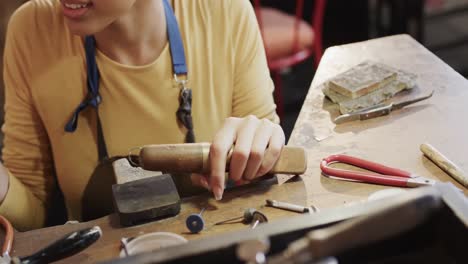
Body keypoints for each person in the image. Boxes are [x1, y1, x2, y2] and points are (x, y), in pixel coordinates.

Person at [0, 0, 285, 231]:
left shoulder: (223, 11)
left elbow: (272, 184)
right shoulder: (33, 30)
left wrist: (263, 144)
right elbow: (30, 217)